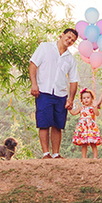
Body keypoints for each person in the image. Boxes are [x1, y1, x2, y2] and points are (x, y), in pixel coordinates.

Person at [29, 28, 79, 159]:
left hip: (60, 94)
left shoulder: (70, 59)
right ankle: (46, 153)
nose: (69, 40)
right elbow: (33, 65)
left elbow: (74, 80)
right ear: (62, 35)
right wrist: (34, 84)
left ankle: (56, 154)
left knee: (58, 124)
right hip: (43, 91)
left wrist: (71, 99)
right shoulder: (45, 47)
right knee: (44, 123)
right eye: (68, 37)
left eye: (73, 40)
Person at [69, 88, 102, 159]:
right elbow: (74, 113)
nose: (86, 99)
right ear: (81, 100)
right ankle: (84, 158)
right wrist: (69, 108)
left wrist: (95, 107)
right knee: (84, 143)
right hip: (83, 128)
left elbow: (97, 114)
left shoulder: (92, 107)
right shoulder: (81, 108)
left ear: (92, 99)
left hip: (91, 128)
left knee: (93, 143)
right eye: (84, 98)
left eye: (88, 97)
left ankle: (95, 157)